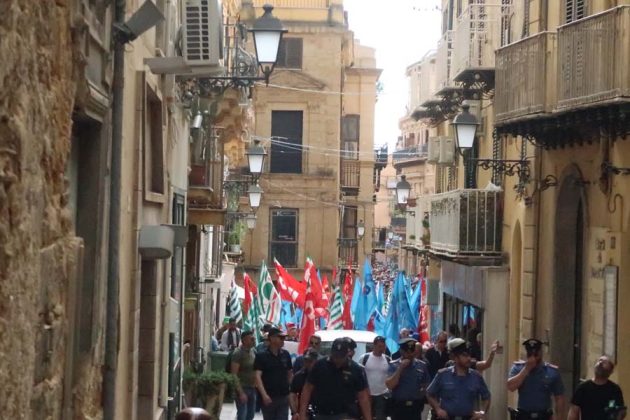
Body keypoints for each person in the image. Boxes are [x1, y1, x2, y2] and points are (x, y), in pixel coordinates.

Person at [299, 337, 372, 420]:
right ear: (331, 353)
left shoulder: (355, 369)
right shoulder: (320, 365)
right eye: (336, 356)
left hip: (346, 414)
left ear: (347, 354)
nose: (338, 359)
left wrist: (368, 418)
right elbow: (307, 389)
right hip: (321, 413)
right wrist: (302, 414)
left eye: (341, 357)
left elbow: (363, 396)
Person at [427, 338, 491, 419]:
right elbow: (429, 394)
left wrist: (482, 412)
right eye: (464, 355)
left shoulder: (476, 377)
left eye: (469, 355)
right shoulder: (443, 375)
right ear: (455, 358)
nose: (469, 358)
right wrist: (438, 409)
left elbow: (487, 396)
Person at [507, 338, 565, 420]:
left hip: (543, 416)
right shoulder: (518, 368)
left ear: (541, 352)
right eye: (530, 353)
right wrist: (526, 369)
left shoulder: (551, 371)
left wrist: (559, 417)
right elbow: (510, 387)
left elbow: (559, 397)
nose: (533, 355)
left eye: (535, 353)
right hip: (524, 416)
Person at [385, 337, 431, 420]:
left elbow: (427, 384)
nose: (409, 355)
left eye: (411, 352)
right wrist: (400, 368)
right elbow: (390, 385)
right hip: (398, 406)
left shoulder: (421, 365)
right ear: (401, 351)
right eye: (407, 352)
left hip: (415, 406)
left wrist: (420, 395)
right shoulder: (393, 365)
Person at [568, 355, 626, 420]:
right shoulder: (583, 388)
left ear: (611, 371)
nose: (600, 363)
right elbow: (573, 412)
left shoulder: (615, 389)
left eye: (605, 362)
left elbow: (621, 412)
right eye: (599, 360)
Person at [254, 327, 293, 420]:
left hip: (283, 396)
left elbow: (290, 374)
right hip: (269, 396)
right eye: (281, 338)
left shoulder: (286, 354)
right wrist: (264, 395)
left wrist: (291, 391)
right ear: (272, 338)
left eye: (284, 338)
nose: (283, 340)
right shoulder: (261, 356)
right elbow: (257, 376)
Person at [360, 336, 391, 420]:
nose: (381, 349)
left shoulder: (387, 359)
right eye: (379, 346)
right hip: (367, 394)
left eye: (383, 346)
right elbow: (360, 375)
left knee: (381, 417)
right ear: (374, 346)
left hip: (382, 394)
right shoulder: (365, 358)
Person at [231, 330, 257, 420]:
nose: (254, 340)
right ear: (244, 340)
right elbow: (234, 374)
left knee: (251, 415)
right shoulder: (238, 353)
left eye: (254, 339)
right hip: (242, 387)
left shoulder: (253, 351)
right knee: (242, 415)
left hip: (252, 388)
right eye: (251, 339)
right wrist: (240, 392)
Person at [289, 350, 320, 420]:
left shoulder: (322, 375)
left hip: (320, 412)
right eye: (306, 360)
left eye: (310, 361)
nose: (308, 363)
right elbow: (292, 394)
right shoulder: (299, 376)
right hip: (303, 411)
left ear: (316, 361)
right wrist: (294, 412)